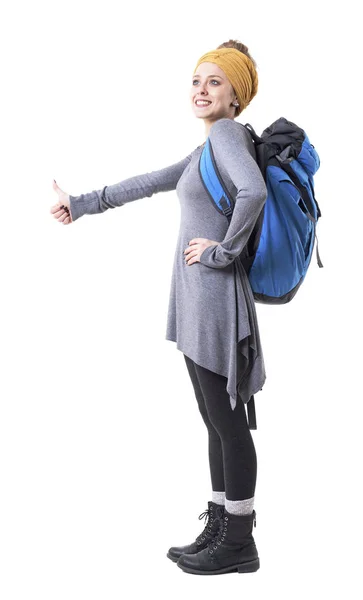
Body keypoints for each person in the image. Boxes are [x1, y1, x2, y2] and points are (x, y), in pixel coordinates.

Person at [50, 39, 267, 576]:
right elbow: (150, 182)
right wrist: (82, 204)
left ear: (236, 95)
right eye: (197, 80)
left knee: (227, 422)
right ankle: (220, 522)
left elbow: (255, 193)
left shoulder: (226, 135)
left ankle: (240, 540)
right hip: (200, 302)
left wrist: (221, 252)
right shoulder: (206, 151)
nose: (201, 90)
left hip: (216, 303)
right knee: (214, 420)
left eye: (214, 82)